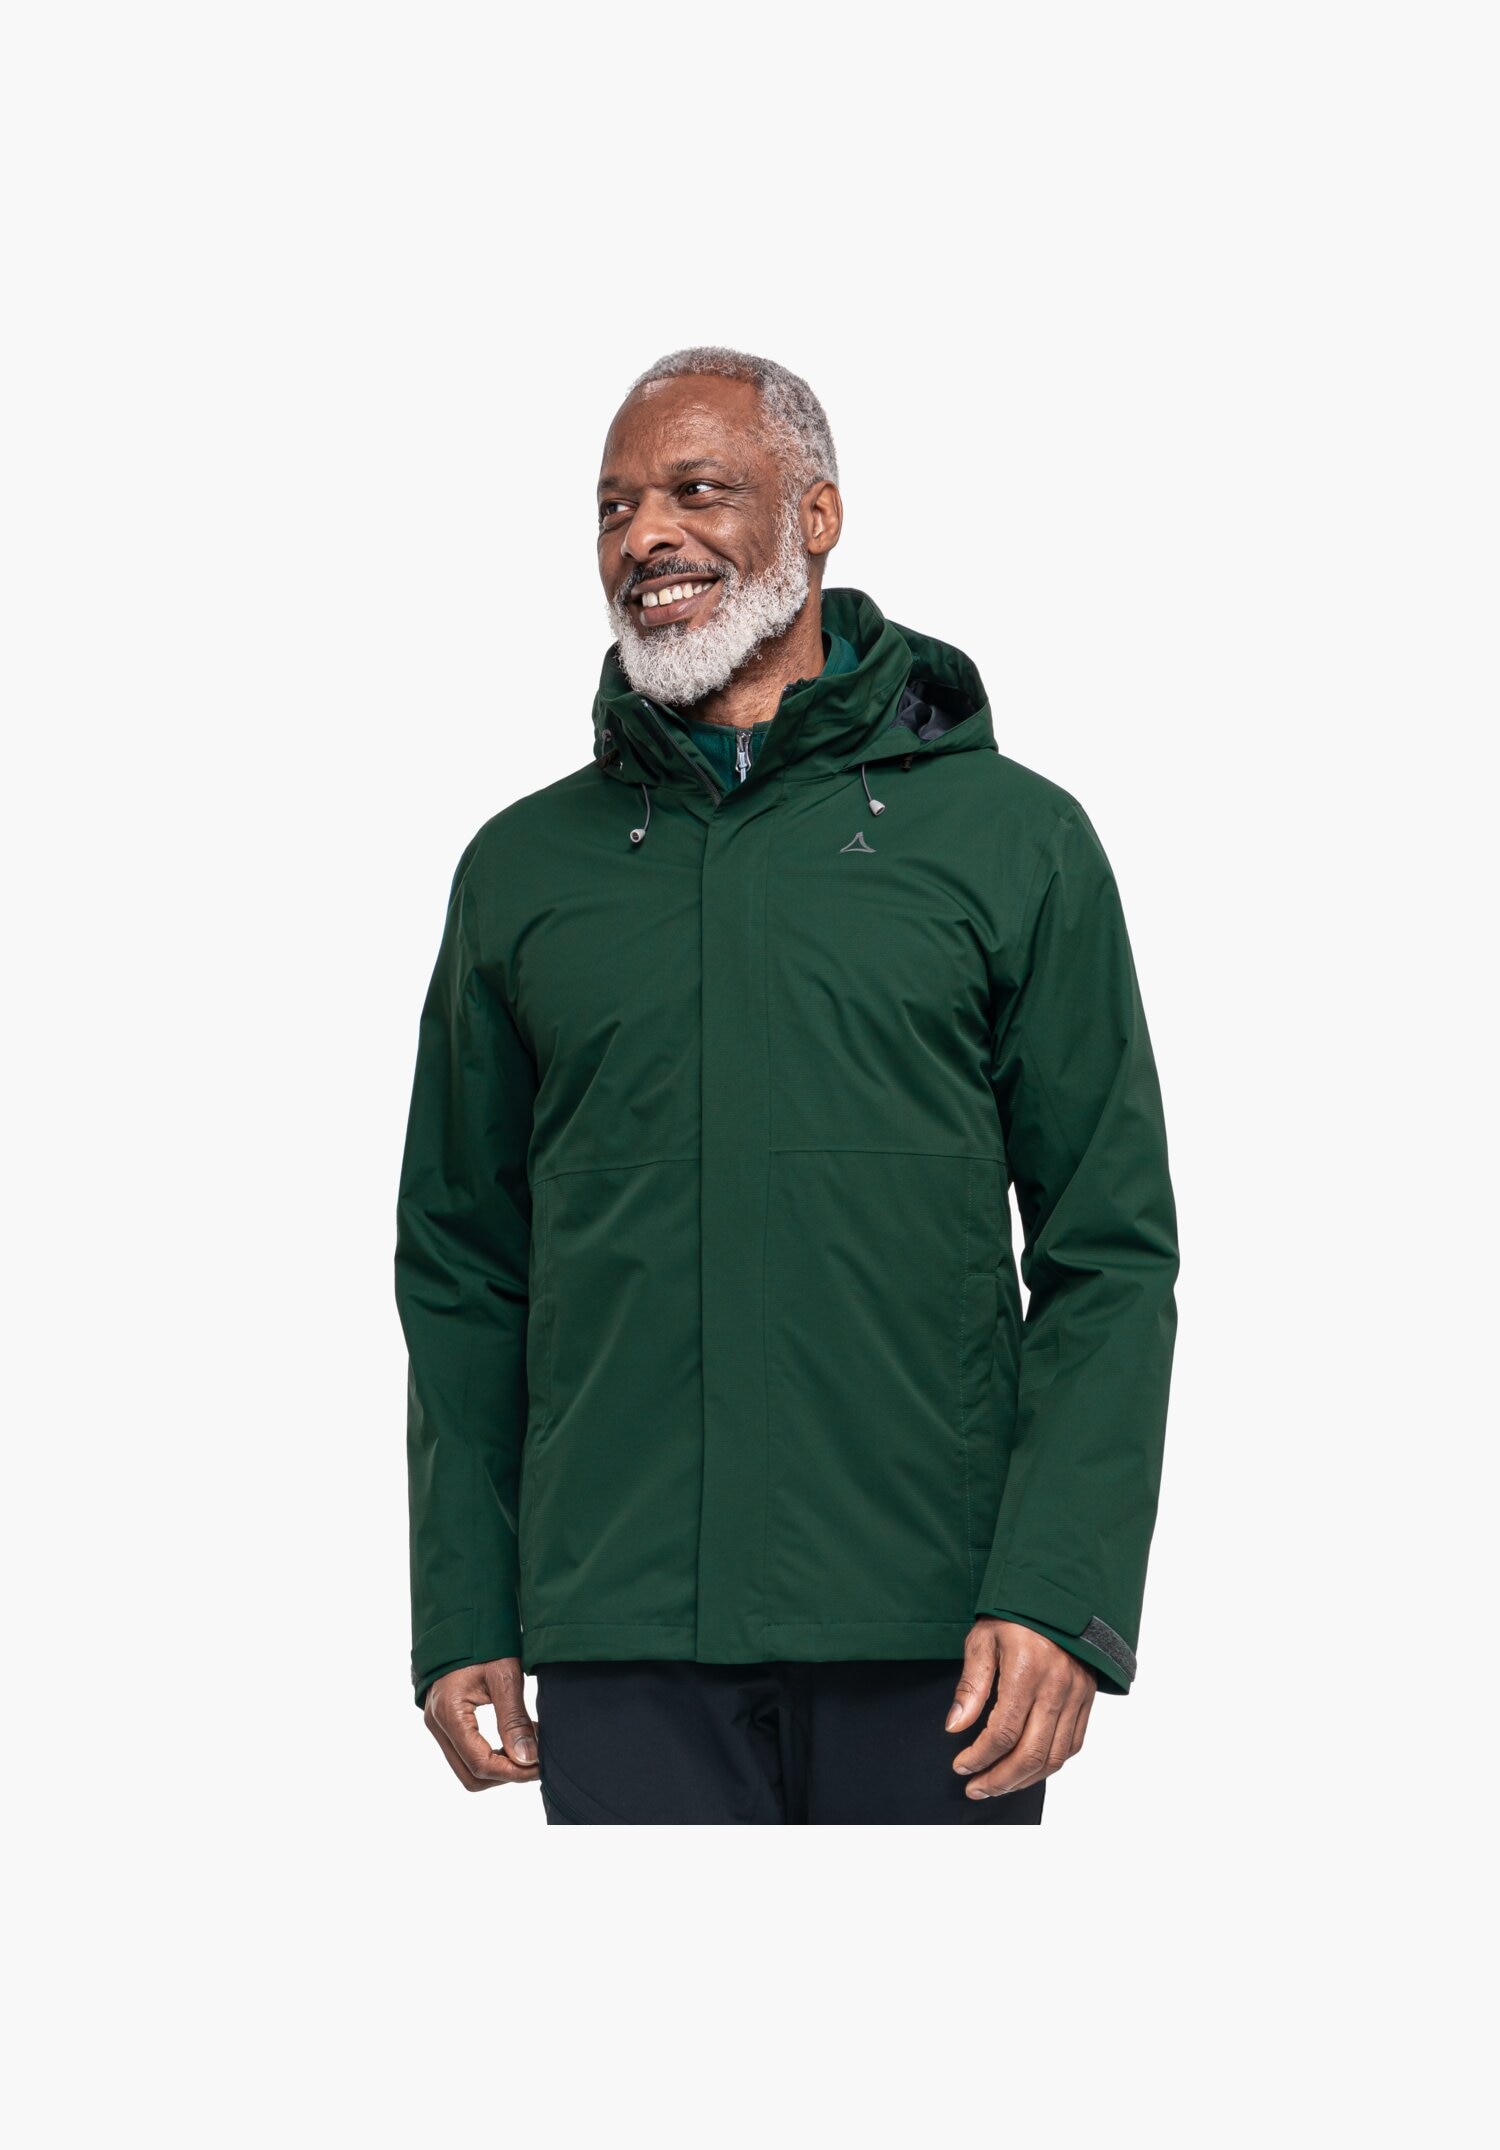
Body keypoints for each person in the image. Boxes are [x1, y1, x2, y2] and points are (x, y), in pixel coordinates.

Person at [394, 346, 1179, 1825]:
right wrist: (464, 1602)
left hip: (942, 1633)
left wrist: (1059, 1587)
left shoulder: (1014, 842)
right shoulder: (523, 871)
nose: (645, 536)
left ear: (817, 516)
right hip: (623, 1624)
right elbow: (461, 1264)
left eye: (696, 490)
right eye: (614, 507)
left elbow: (1108, 1252)